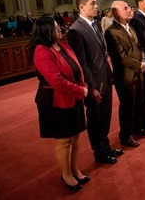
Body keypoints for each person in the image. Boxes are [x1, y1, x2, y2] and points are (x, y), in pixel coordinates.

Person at [30, 16, 89, 191]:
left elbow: (77, 69)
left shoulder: (62, 45)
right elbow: (56, 80)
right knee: (64, 140)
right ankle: (66, 174)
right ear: (45, 30)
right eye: (55, 27)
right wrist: (80, 90)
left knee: (76, 136)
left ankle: (75, 169)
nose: (59, 29)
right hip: (56, 99)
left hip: (73, 96)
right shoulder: (41, 50)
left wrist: (83, 85)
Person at [68, 0, 123, 164]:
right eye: (92, 3)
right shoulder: (75, 30)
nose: (96, 6)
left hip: (105, 77)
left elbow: (102, 53)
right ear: (81, 7)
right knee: (95, 117)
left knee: (106, 115)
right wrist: (90, 87)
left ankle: (105, 146)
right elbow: (81, 63)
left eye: (96, 2)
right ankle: (99, 152)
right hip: (93, 82)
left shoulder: (95, 24)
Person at [105, 0, 145, 147]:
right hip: (125, 75)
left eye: (129, 7)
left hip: (138, 71)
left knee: (138, 102)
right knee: (127, 106)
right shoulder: (111, 32)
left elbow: (139, 47)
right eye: (125, 8)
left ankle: (137, 128)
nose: (130, 10)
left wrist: (142, 61)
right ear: (116, 13)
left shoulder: (130, 27)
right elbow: (121, 56)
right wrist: (139, 65)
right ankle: (125, 135)